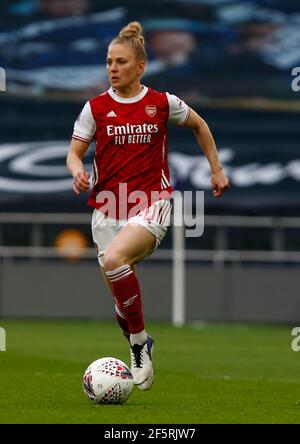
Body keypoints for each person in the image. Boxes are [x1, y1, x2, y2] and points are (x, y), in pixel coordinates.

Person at [66, 21, 230, 391]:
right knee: (121, 305)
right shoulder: (95, 108)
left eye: (121, 62)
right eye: (109, 61)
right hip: (107, 210)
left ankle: (138, 346)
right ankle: (139, 336)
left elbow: (200, 125)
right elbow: (74, 154)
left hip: (151, 204)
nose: (112, 68)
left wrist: (216, 171)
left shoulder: (161, 103)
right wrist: (77, 172)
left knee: (115, 262)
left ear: (140, 67)